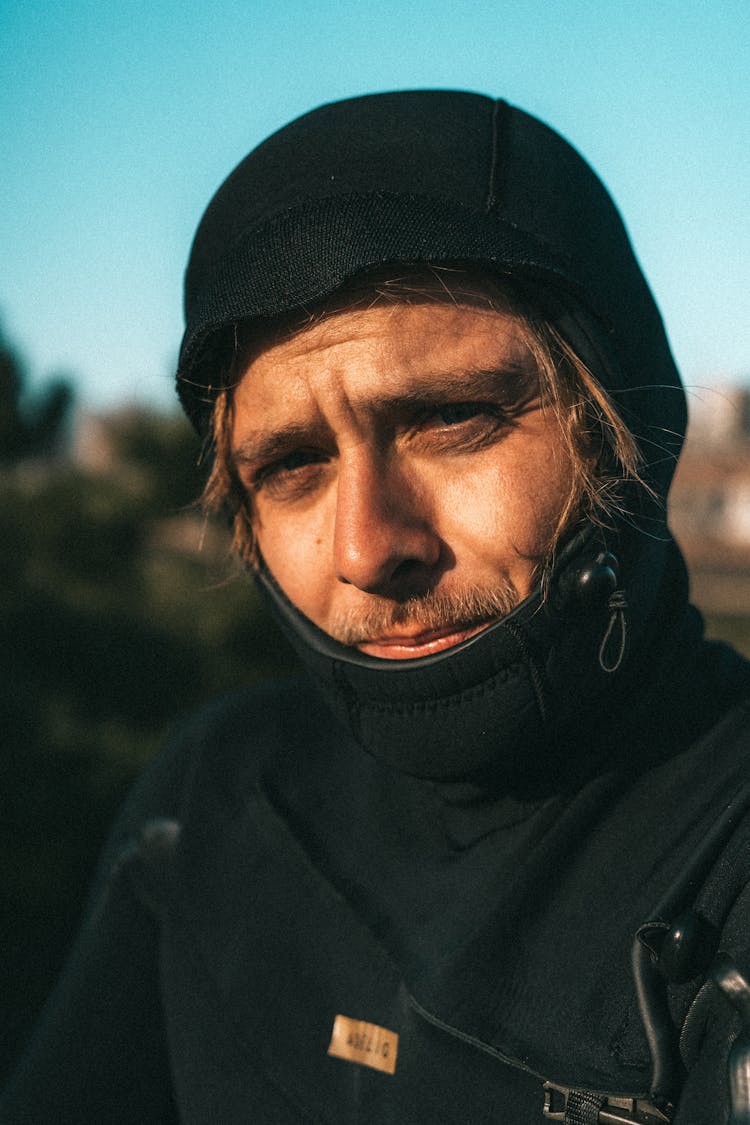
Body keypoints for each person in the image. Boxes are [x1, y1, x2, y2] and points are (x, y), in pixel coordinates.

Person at [3, 90, 750, 1125]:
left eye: (451, 418)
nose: (367, 549)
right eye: (294, 466)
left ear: (626, 420)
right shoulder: (217, 790)